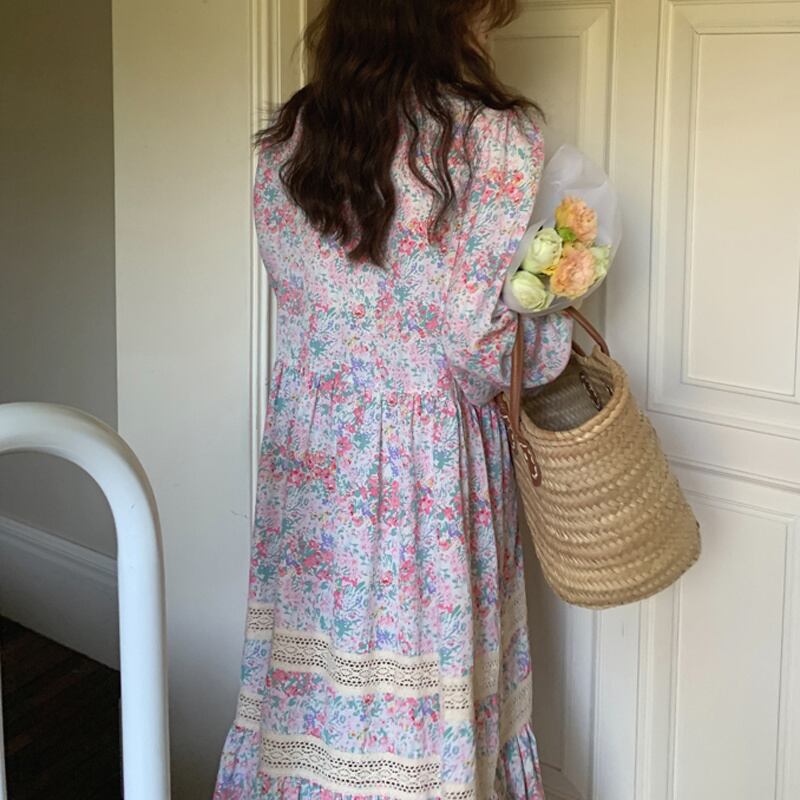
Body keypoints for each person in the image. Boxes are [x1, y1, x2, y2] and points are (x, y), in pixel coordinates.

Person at [213, 1, 573, 797]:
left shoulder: (289, 139)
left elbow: (302, 295)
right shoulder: (491, 137)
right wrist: (552, 328)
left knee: (314, 700)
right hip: (427, 471)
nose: (489, 25)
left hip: (314, 462)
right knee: (425, 694)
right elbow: (479, 346)